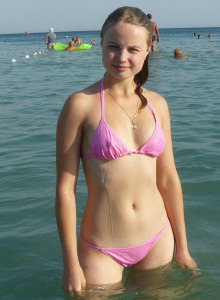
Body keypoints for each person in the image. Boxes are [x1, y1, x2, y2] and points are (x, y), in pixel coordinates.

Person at [56, 6, 197, 293]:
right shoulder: (80, 105)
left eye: (133, 49)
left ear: (148, 50)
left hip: (158, 238)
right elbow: (65, 190)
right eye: (113, 47)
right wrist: (71, 263)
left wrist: (183, 247)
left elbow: (169, 179)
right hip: (101, 248)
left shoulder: (158, 104)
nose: (122, 57)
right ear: (101, 45)